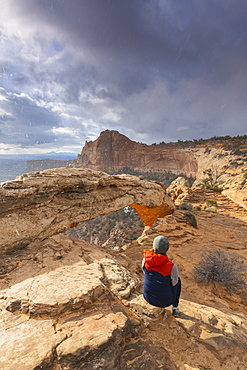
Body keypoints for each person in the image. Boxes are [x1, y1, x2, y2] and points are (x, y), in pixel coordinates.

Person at [142, 235, 181, 317]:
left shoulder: (146, 260)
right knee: (178, 281)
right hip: (165, 302)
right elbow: (174, 283)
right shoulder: (172, 267)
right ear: (167, 249)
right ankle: (175, 308)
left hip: (148, 297)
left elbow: (144, 271)